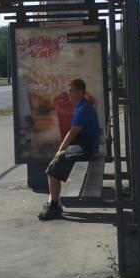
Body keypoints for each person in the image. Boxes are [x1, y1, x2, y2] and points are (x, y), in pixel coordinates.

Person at [38, 78, 99, 221]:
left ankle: (54, 207)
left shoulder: (83, 108)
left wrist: (60, 150)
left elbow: (73, 132)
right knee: (55, 166)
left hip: (85, 151)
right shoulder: (83, 105)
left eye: (71, 91)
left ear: (81, 91)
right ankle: (53, 202)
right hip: (85, 147)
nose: (69, 94)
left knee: (52, 170)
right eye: (68, 91)